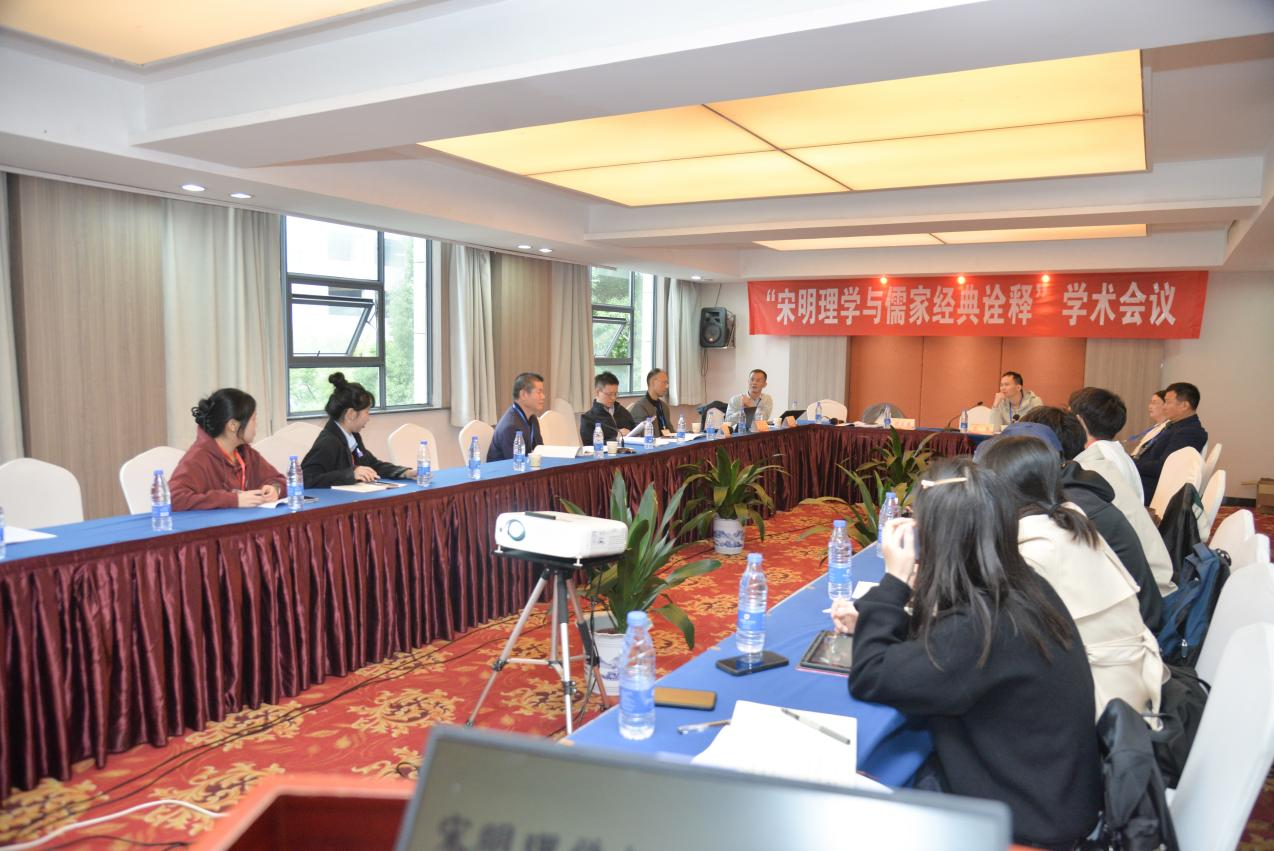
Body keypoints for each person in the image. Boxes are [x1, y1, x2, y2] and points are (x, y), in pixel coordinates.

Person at [839, 460, 1101, 849]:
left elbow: (871, 676)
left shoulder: (981, 626)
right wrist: (885, 619)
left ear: (936, 537)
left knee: (849, 809)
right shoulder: (1020, 587)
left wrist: (894, 581)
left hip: (1020, 824)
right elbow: (944, 649)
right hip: (1049, 796)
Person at [979, 435, 1166, 722]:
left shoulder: (1038, 549)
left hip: (1103, 710)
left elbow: (996, 636)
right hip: (1128, 686)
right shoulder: (1068, 518)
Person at [1064, 389, 1175, 596]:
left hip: (1138, 585)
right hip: (1144, 570)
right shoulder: (1114, 453)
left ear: (1079, 421)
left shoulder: (1094, 465)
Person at [170, 388, 285, 510]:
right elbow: (174, 498)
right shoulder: (197, 458)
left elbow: (279, 480)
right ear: (233, 425)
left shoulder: (246, 453)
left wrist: (275, 489)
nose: (256, 424)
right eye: (253, 419)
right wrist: (234, 500)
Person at [301, 373, 411, 487]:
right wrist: (350, 474)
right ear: (351, 414)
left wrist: (404, 472)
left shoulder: (353, 437)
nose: (368, 418)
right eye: (367, 411)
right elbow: (306, 478)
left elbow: (372, 465)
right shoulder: (328, 442)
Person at [1133, 382, 1208, 503]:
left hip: (1151, 488)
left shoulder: (1189, 432)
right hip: (1144, 479)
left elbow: (1163, 467)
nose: (1164, 407)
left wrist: (1131, 464)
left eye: (1167, 402)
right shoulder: (1175, 425)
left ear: (1184, 405)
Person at [488, 371, 546, 462]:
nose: (543, 397)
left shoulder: (532, 418)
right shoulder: (510, 426)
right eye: (539, 392)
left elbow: (540, 451)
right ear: (523, 394)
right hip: (506, 470)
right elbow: (517, 463)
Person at [578, 371, 636, 444]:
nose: (613, 398)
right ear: (597, 392)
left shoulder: (622, 411)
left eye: (615, 394)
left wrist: (632, 434)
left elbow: (635, 431)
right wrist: (615, 439)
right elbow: (589, 446)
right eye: (609, 394)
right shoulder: (588, 419)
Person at [626, 368, 671, 435]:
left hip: (667, 440)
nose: (667, 386)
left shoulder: (664, 407)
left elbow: (671, 432)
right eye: (664, 382)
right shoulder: (640, 407)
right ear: (653, 382)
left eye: (667, 383)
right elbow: (642, 436)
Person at [1128, 389, 1169, 458]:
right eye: (1150, 402)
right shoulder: (1155, 428)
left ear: (1165, 405)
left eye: (1154, 403)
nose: (1150, 406)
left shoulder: (1168, 428)